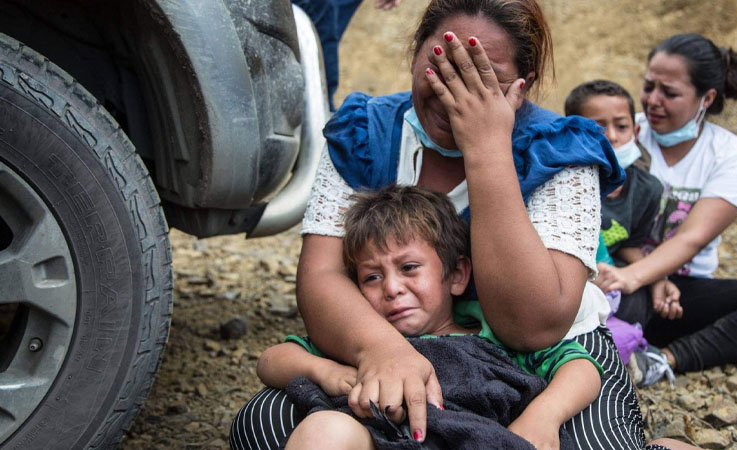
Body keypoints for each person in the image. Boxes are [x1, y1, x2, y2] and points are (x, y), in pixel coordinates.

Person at [230, 1, 678, 449]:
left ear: (524, 87)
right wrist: (384, 351)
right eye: (441, 66)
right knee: (265, 425)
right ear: (414, 55)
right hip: (392, 333)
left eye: (483, 77)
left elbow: (532, 328)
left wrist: (486, 146)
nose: (453, 92)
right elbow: (321, 278)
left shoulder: (561, 152)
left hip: (548, 359)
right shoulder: (364, 133)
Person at [262, 185, 602, 449]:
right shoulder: (366, 342)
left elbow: (581, 369)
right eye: (372, 277)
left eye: (409, 268)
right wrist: (328, 371)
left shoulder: (493, 330)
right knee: (325, 429)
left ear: (456, 275)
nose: (392, 288)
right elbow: (272, 360)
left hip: (485, 439)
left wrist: (544, 416)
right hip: (380, 440)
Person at [593, 33, 737, 386]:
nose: (653, 100)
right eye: (648, 86)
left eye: (669, 93)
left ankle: (663, 358)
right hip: (616, 278)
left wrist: (641, 278)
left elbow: (693, 238)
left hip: (678, 295)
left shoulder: (731, 155)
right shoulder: (621, 130)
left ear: (707, 98)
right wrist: (646, 276)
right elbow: (608, 221)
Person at [565, 80, 680, 380]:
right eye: (598, 127)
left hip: (610, 280)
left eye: (621, 126)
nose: (612, 137)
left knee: (639, 302)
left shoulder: (647, 190)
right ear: (572, 130)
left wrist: (656, 277)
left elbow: (630, 243)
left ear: (636, 132)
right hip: (567, 281)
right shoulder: (562, 183)